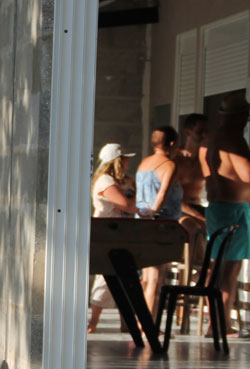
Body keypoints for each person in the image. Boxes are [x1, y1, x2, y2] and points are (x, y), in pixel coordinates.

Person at [199, 93, 250, 338]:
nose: (247, 121)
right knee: (229, 272)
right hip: (234, 210)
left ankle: (215, 324)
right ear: (239, 116)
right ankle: (221, 325)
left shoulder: (211, 140)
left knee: (216, 269)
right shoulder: (234, 140)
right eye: (247, 116)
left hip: (217, 208)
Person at [88, 143, 138, 333]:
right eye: (125, 158)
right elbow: (128, 204)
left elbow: (131, 203)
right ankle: (93, 321)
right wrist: (128, 204)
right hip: (107, 234)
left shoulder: (123, 181)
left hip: (121, 233)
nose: (128, 162)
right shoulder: (106, 181)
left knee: (123, 276)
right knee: (106, 276)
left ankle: (125, 322)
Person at [136, 127, 184, 321]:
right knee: (156, 278)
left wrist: (145, 214)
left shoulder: (144, 163)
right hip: (160, 224)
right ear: (172, 143)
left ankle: (142, 320)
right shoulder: (169, 165)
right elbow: (162, 194)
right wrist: (154, 213)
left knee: (147, 277)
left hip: (141, 223)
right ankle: (149, 324)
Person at [176, 113, 209, 222]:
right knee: (190, 225)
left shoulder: (206, 159)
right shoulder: (176, 159)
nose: (204, 135)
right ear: (187, 132)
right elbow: (171, 197)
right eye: (199, 132)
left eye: (206, 131)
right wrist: (200, 217)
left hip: (198, 206)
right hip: (179, 208)